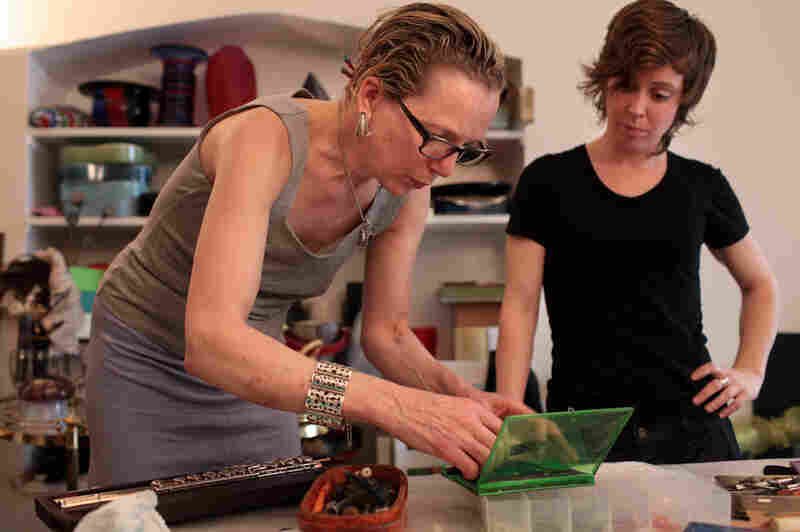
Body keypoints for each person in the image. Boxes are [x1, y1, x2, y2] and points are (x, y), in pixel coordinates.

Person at [85, 2, 532, 487]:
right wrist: (396, 406)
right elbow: (210, 343)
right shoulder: (263, 140)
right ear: (370, 94)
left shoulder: (409, 187)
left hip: (257, 363)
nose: (446, 166)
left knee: (271, 508)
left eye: (464, 148)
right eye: (437, 137)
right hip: (145, 357)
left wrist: (460, 400)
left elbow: (388, 334)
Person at [495, 0, 778, 464]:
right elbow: (520, 303)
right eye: (624, 85)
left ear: (684, 98)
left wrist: (750, 371)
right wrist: (511, 408)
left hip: (693, 428)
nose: (636, 108)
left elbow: (760, 284)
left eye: (659, 93)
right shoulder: (546, 182)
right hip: (581, 427)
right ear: (604, 79)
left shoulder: (703, 186)